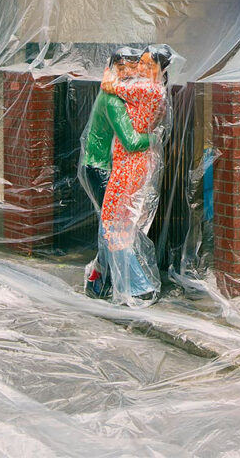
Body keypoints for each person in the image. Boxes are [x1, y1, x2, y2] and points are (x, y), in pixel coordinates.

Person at [98, 45, 171, 305]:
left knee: (114, 225)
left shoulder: (148, 89)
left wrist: (110, 70)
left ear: (158, 69)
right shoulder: (153, 91)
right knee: (120, 224)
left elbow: (109, 85)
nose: (137, 68)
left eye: (144, 64)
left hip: (132, 164)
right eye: (137, 63)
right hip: (133, 163)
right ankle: (109, 280)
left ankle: (139, 286)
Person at [80, 48, 152, 298]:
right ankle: (138, 286)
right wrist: (156, 137)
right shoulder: (113, 101)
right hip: (102, 170)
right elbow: (131, 141)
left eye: (133, 68)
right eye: (122, 69)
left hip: (102, 168)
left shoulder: (116, 93)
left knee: (108, 227)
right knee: (116, 230)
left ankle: (99, 278)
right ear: (113, 69)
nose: (129, 74)